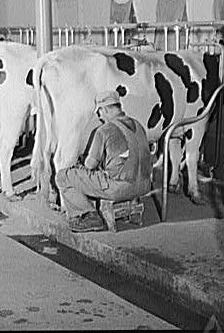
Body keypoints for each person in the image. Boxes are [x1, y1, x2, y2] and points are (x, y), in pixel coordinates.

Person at [55, 90, 153, 233]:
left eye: (99, 111)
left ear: (106, 109)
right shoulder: (139, 125)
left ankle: (88, 215)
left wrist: (79, 166)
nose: (99, 116)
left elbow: (90, 165)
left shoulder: (104, 131)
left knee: (64, 176)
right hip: (144, 185)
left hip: (119, 188)